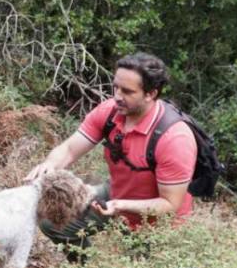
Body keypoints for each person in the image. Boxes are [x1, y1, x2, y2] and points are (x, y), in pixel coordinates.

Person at [26, 52, 197, 254]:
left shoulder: (175, 139)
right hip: (117, 195)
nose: (117, 96)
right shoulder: (111, 111)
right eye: (115, 87)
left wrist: (119, 205)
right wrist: (50, 166)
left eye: (127, 91)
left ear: (151, 94)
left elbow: (170, 204)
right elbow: (70, 149)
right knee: (53, 222)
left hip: (159, 223)